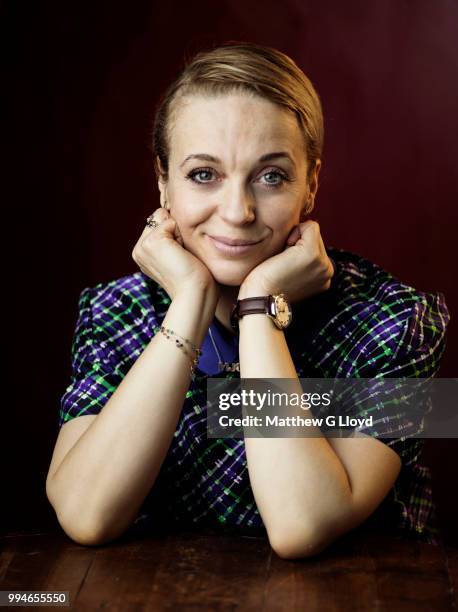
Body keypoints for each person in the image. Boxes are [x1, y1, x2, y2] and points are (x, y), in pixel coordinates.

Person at [46, 42, 450, 558]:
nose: (237, 211)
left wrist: (258, 307)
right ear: (163, 184)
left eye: (271, 176)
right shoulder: (113, 313)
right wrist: (191, 302)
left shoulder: (399, 322)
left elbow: (303, 524)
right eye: (203, 174)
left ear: (311, 185)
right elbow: (86, 514)